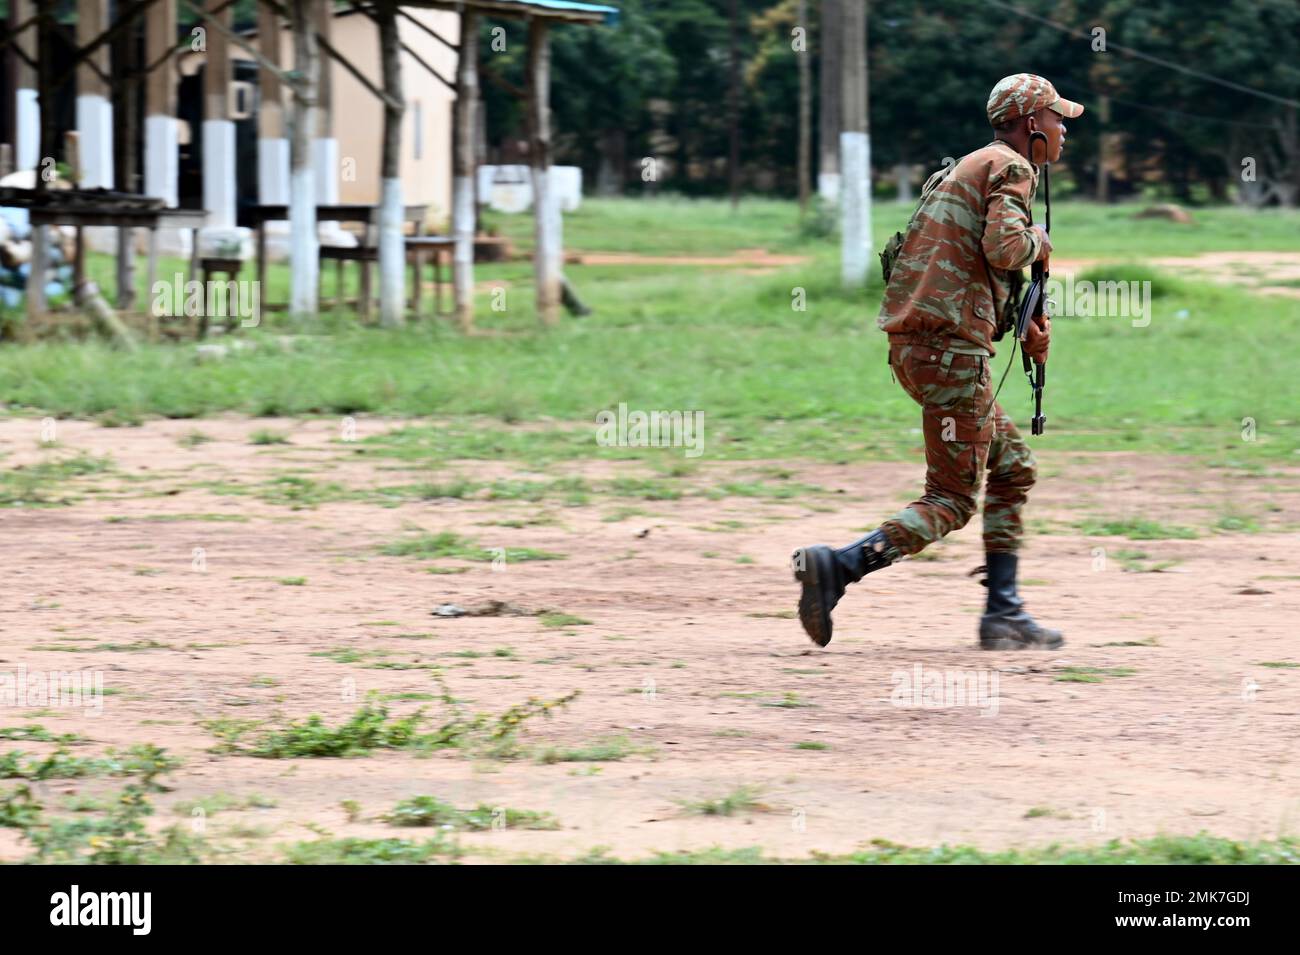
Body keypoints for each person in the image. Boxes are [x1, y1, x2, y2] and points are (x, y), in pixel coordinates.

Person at [792, 73, 1083, 651]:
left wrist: (1021, 321)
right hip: (951, 355)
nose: (1063, 129)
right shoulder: (1012, 168)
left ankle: (1004, 611)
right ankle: (840, 566)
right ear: (1032, 125)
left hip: (922, 349)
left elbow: (963, 264)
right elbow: (1005, 248)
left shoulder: (967, 168)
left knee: (1015, 466)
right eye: (1057, 119)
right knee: (950, 499)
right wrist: (1040, 242)